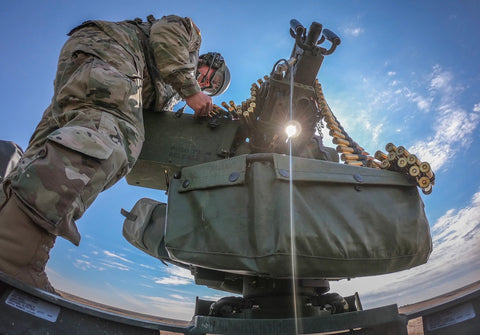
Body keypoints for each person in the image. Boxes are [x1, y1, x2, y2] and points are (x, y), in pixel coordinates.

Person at [0, 14, 230, 293]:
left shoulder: (169, 90)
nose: (205, 84)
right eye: (209, 77)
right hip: (113, 54)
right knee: (115, 133)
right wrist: (191, 89)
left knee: (39, 153)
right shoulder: (188, 37)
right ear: (207, 60)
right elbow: (165, 35)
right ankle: (13, 256)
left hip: (92, 63)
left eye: (210, 88)